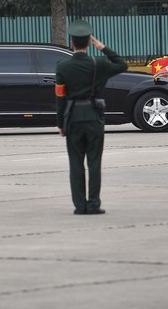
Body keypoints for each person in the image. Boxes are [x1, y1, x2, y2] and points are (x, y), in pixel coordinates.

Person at [55, 20, 127, 215]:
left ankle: (80, 206)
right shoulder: (100, 63)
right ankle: (94, 204)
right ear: (89, 43)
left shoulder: (62, 67)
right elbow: (122, 65)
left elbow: (60, 98)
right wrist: (103, 47)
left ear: (72, 42)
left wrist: (61, 123)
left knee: (76, 163)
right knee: (94, 162)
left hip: (73, 119)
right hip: (95, 117)